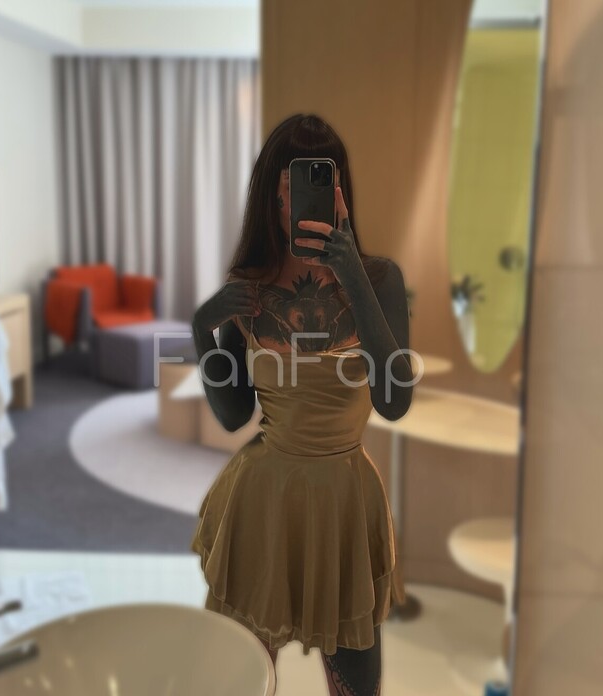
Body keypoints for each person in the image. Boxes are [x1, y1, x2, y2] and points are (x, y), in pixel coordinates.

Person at [189, 113, 413, 695]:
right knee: (236, 680)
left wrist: (351, 274)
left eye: (321, 180)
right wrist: (201, 328)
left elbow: (394, 401)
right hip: (263, 503)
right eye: (292, 183)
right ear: (273, 192)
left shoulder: (380, 280)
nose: (303, 199)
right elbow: (233, 415)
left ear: (339, 192)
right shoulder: (251, 286)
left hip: (345, 505)